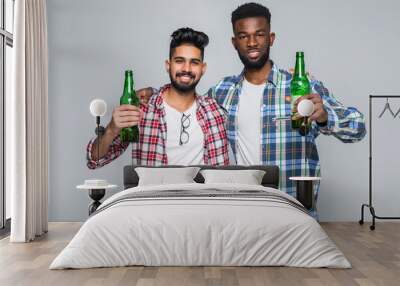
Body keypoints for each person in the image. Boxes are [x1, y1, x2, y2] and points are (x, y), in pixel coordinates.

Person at [140, 3, 366, 218]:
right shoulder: (221, 92)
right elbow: (185, 97)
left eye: (259, 34)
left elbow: (358, 128)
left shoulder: (301, 86)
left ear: (271, 38)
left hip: (293, 211)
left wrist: (325, 116)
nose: (252, 42)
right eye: (243, 36)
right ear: (234, 42)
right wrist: (153, 93)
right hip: (243, 212)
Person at [86, 27, 229, 168]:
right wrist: (112, 129)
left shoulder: (215, 112)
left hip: (201, 192)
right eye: (179, 61)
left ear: (203, 68)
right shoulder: (142, 110)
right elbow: (95, 160)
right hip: (154, 192)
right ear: (168, 65)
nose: (186, 69)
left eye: (194, 62)